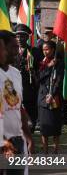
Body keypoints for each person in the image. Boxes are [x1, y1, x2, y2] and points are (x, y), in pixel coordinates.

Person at [0, 29, 34, 166]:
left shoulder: (16, 74)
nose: (17, 50)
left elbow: (19, 107)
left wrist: (28, 137)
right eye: (13, 47)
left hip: (17, 141)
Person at [14, 23, 43, 134]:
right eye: (17, 36)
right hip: (13, 89)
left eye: (22, 36)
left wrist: (33, 71)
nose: (19, 39)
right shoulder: (11, 51)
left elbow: (41, 69)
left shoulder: (35, 51)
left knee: (31, 115)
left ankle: (29, 138)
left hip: (29, 89)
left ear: (27, 37)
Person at [37, 40, 63, 154]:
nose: (45, 52)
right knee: (44, 126)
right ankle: (45, 149)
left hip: (54, 96)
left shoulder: (59, 63)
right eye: (43, 50)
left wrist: (52, 94)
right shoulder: (42, 63)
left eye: (47, 49)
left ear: (53, 50)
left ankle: (56, 148)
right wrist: (48, 66)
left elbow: (59, 80)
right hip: (43, 97)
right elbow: (39, 78)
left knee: (55, 125)